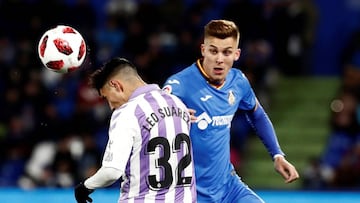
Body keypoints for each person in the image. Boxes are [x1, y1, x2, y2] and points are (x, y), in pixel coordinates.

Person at [163, 19, 299, 203]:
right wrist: (172, 115)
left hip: (229, 187)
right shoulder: (180, 84)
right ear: (203, 50)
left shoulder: (239, 81)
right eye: (213, 51)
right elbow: (153, 112)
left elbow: (257, 114)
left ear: (236, 54)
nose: (219, 59)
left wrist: (277, 155)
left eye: (226, 52)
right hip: (191, 194)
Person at [74, 57, 197, 203]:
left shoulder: (127, 112)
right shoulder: (178, 104)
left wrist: (85, 187)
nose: (111, 106)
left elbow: (112, 172)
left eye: (107, 98)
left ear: (116, 85)